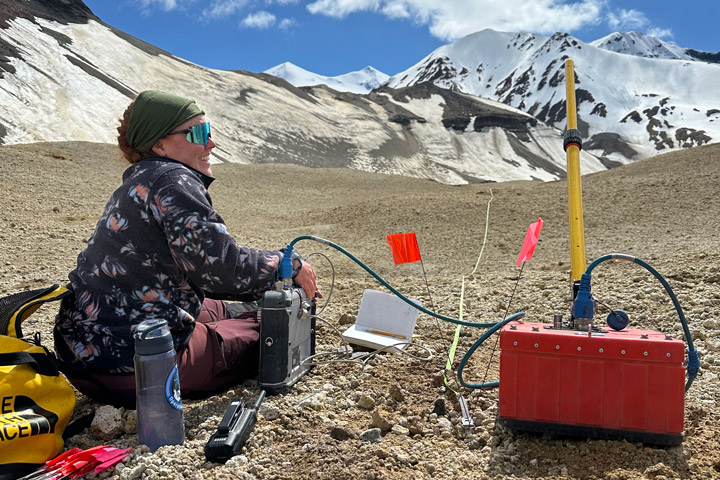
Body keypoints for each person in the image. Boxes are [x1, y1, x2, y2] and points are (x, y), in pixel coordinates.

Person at [54, 90, 320, 407]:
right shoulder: (172, 178)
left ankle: (239, 316)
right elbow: (221, 268)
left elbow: (205, 265)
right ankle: (251, 322)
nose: (211, 143)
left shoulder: (139, 180)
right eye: (198, 133)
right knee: (276, 332)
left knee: (218, 307)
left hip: (83, 361)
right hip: (140, 369)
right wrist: (288, 264)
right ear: (159, 144)